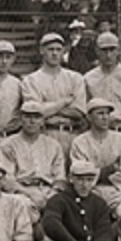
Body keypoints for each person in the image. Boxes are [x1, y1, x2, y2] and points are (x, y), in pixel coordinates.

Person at [37, 160, 115, 241]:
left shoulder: (99, 203)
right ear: (71, 179)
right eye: (80, 180)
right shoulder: (58, 200)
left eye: (89, 180)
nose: (85, 185)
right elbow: (51, 222)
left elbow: (104, 233)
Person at [0, 100, 67, 234]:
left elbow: (60, 177)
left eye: (36, 117)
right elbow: (7, 179)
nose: (32, 121)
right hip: (21, 191)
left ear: (42, 121)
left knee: (64, 206)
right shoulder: (8, 145)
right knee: (24, 207)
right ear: (20, 119)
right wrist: (29, 193)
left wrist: (53, 193)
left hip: (48, 190)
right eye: (27, 116)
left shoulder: (53, 145)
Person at [20, 32, 87, 162]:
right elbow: (35, 113)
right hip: (45, 134)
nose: (55, 53)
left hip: (72, 134)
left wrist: (47, 106)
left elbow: (79, 112)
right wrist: (64, 102)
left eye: (58, 49)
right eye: (50, 49)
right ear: (42, 51)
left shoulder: (75, 78)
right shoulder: (31, 80)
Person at [69, 97, 121, 209]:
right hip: (90, 192)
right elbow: (80, 173)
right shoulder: (80, 142)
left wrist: (95, 172)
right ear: (89, 117)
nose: (105, 117)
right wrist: (105, 171)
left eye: (107, 114)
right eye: (100, 114)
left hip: (116, 191)